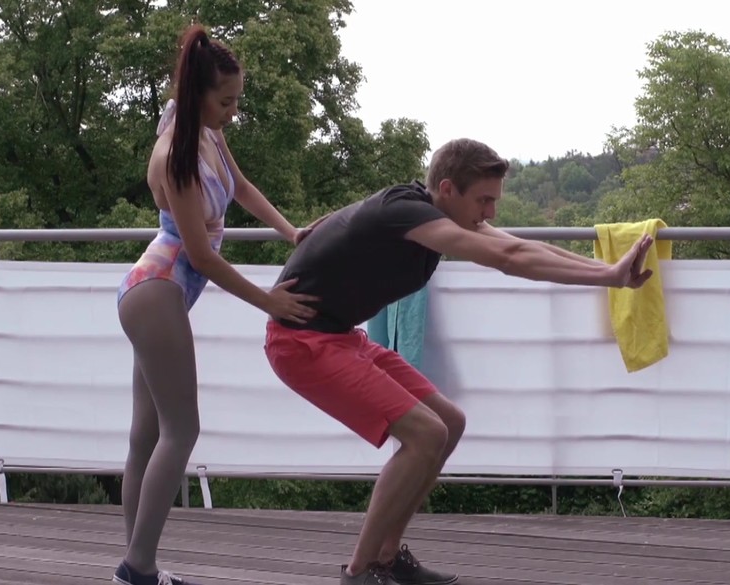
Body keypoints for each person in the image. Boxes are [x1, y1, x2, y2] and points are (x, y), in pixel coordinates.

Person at [264, 138, 654, 585]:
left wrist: (609, 272)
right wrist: (607, 277)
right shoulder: (406, 214)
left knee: (449, 422)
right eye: (484, 200)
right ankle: (359, 572)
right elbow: (509, 259)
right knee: (426, 434)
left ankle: (387, 558)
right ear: (448, 189)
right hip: (301, 344)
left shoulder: (434, 212)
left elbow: (520, 246)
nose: (491, 212)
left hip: (338, 337)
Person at [113, 25, 319, 585]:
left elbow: (241, 186)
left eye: (236, 100)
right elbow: (201, 257)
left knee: (146, 437)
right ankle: (137, 568)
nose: (233, 111)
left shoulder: (204, 131)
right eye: (225, 101)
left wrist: (291, 232)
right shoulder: (175, 157)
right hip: (157, 291)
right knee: (182, 431)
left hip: (156, 294)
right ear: (198, 94)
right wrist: (269, 301)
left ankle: (138, 569)